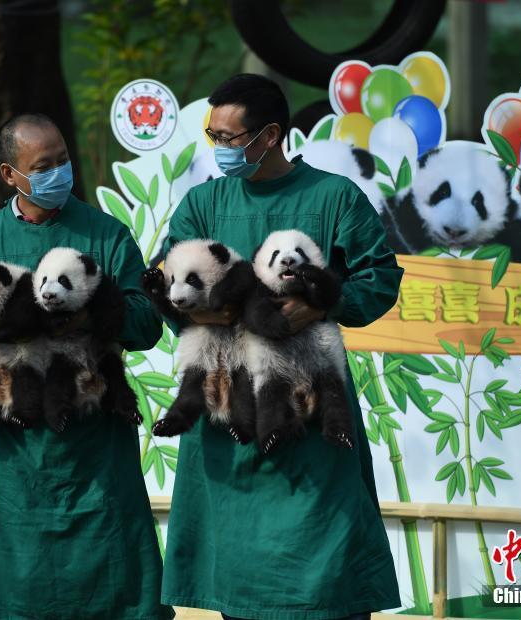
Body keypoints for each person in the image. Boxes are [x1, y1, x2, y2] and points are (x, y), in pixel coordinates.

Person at [159, 74, 404, 620]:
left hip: (312, 408)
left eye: (228, 137)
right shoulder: (202, 204)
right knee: (240, 588)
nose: (218, 148)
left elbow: (380, 279)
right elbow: (166, 281)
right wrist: (225, 313)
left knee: (327, 582)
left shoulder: (333, 197)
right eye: (212, 135)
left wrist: (321, 305)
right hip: (226, 409)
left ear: (269, 136)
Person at [0, 113, 173, 620]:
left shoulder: (105, 236)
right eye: (43, 166)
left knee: (111, 577)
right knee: (17, 584)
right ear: (9, 175)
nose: (58, 172)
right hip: (13, 451)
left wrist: (91, 314)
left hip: (96, 444)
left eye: (63, 160)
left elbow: (148, 323)